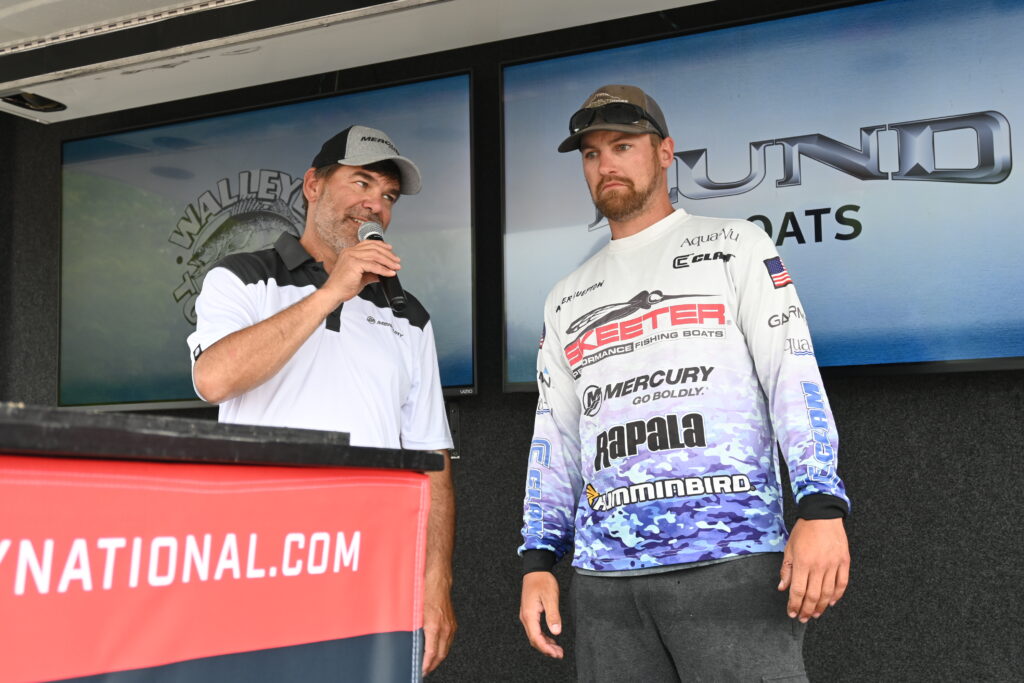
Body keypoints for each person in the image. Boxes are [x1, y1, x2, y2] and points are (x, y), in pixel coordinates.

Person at [518, 85, 850, 682]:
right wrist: (539, 559)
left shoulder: (736, 245)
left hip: (731, 559)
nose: (606, 164)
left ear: (665, 152)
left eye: (623, 145)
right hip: (606, 583)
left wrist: (821, 508)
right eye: (592, 153)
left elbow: (792, 374)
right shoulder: (567, 296)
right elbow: (555, 437)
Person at [187, 125, 455, 676]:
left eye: (388, 195)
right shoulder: (241, 278)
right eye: (361, 183)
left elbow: (432, 459)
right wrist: (333, 291)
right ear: (313, 185)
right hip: (261, 562)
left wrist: (436, 583)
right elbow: (214, 379)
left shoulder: (408, 315)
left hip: (372, 569)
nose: (375, 204)